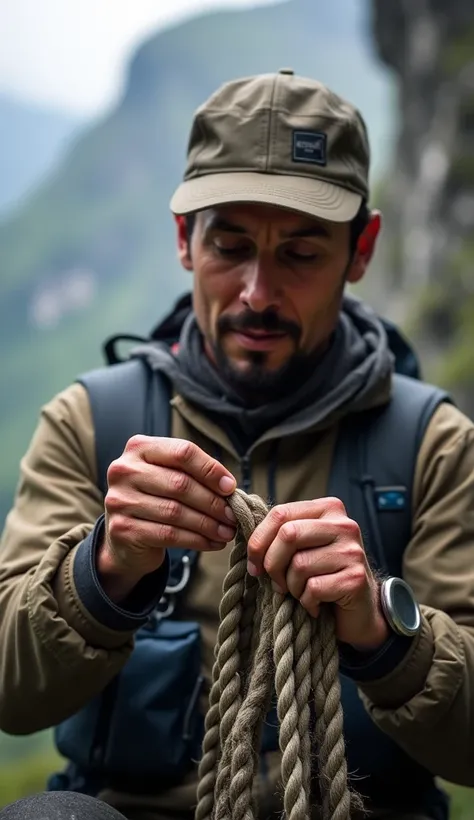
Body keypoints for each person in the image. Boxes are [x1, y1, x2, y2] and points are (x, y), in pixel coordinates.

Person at [1, 69, 474, 820]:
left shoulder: (433, 446)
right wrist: (104, 569)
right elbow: (9, 693)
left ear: (362, 249)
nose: (257, 292)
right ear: (185, 240)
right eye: (230, 245)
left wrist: (383, 632)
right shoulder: (91, 422)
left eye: (301, 254)